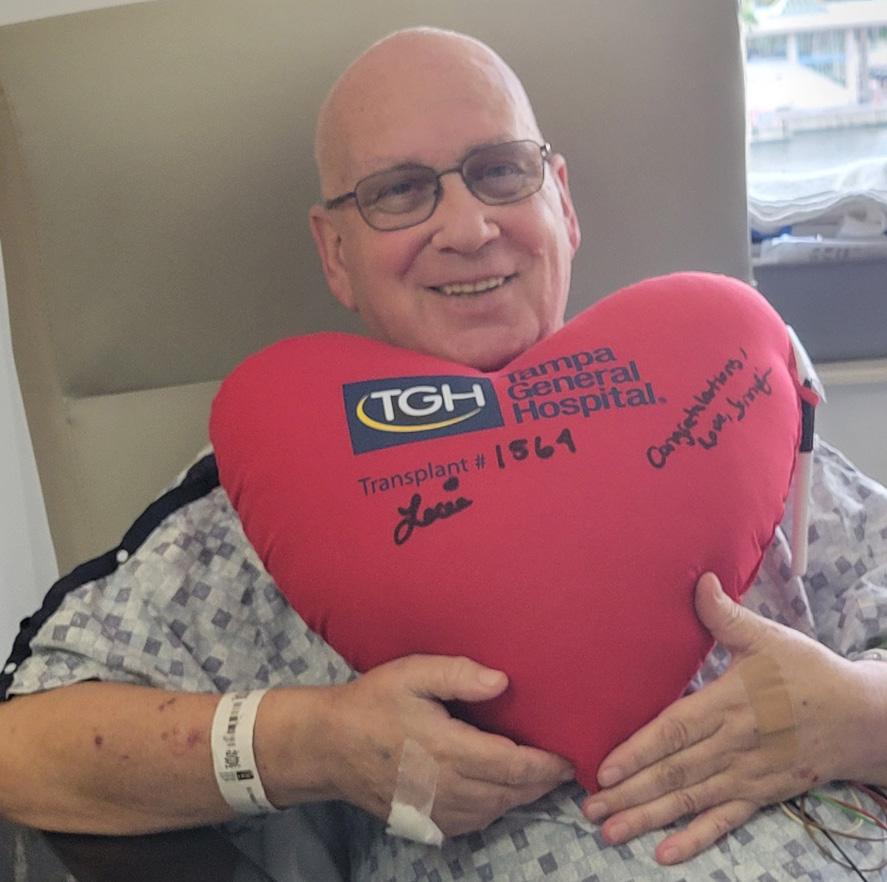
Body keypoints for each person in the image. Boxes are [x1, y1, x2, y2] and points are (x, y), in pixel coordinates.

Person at [1, 26, 886, 882]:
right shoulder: (278, 484)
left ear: (561, 203)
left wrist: (855, 716)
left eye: (500, 171)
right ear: (335, 253)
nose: (467, 228)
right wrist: (316, 743)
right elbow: (24, 749)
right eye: (399, 192)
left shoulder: (725, 395)